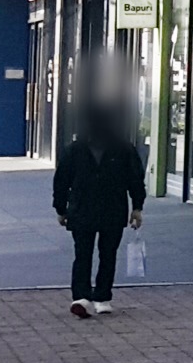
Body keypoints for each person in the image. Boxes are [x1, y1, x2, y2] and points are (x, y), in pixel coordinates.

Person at [54, 76, 146, 317]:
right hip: (110, 209)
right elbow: (135, 179)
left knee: (84, 255)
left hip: (84, 209)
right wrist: (137, 207)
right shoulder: (122, 148)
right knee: (106, 254)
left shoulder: (76, 150)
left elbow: (61, 181)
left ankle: (84, 296)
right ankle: (99, 297)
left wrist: (61, 209)